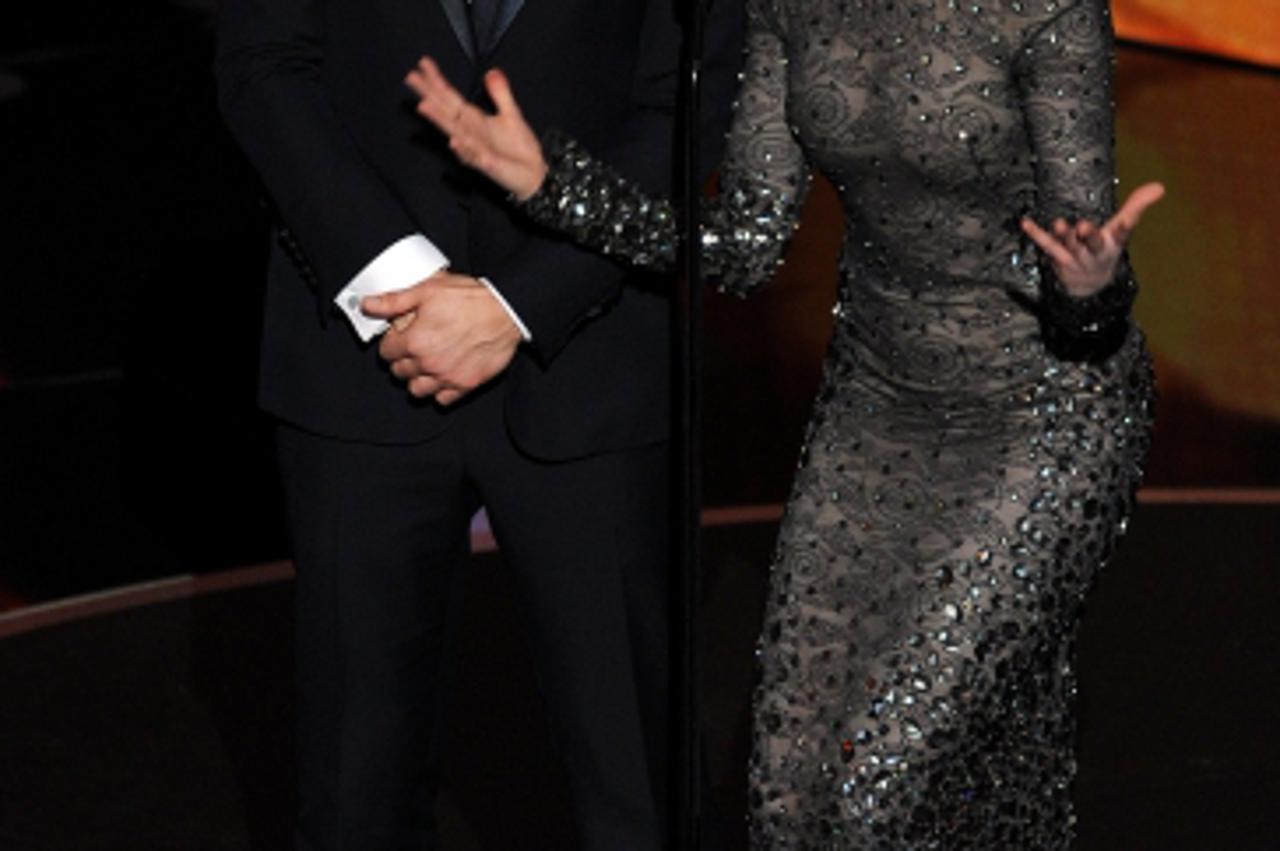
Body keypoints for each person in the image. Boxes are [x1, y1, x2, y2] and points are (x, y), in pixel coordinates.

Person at [403, 0, 1164, 846]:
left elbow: (1089, 294)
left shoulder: (1046, 12)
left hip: (1045, 409)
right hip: (878, 403)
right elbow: (748, 243)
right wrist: (553, 187)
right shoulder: (788, 6)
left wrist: (1093, 287)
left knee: (878, 777)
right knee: (786, 797)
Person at [214, 1, 742, 848]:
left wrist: (518, 303)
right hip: (358, 360)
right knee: (355, 788)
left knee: (636, 787)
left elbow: (689, 106)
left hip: (593, 358)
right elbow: (264, 63)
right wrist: (399, 281)